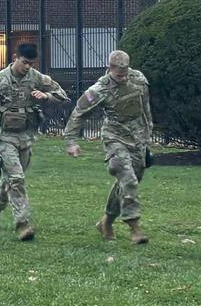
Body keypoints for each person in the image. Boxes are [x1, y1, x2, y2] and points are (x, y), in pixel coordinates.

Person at [0, 41, 69, 241]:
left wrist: (45, 96)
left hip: (26, 137)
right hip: (5, 138)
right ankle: (22, 223)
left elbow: (62, 96)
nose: (28, 67)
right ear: (15, 58)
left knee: (10, 179)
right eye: (24, 62)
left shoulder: (36, 78)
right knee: (17, 179)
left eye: (31, 63)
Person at [64, 48, 154, 244]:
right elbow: (78, 113)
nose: (123, 78)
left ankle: (106, 221)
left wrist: (148, 134)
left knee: (130, 181)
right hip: (115, 137)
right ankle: (134, 227)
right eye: (119, 74)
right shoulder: (99, 89)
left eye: (125, 73)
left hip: (137, 137)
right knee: (128, 180)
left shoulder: (138, 79)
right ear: (109, 68)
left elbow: (145, 107)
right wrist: (71, 141)